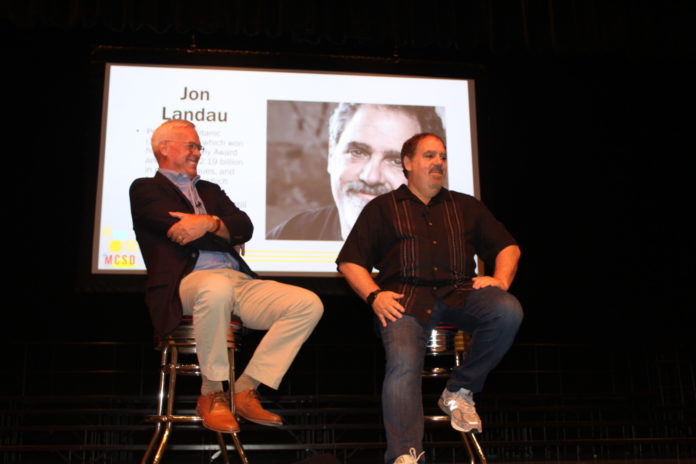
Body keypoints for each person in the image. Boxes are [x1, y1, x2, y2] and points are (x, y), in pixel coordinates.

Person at [336, 133, 523, 464]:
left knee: (507, 311)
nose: (438, 162)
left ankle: (459, 390)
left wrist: (501, 280)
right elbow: (350, 262)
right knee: (403, 363)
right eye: (429, 156)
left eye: (443, 157)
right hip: (404, 300)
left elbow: (508, 247)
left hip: (460, 293)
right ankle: (406, 454)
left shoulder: (465, 206)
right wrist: (374, 296)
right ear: (408, 164)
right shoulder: (382, 208)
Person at [130, 119, 323, 434]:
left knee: (307, 303)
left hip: (236, 281)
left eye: (199, 147)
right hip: (187, 283)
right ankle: (211, 392)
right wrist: (223, 231)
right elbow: (178, 233)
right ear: (163, 148)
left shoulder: (210, 190)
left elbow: (244, 226)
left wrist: (207, 223)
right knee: (215, 286)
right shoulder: (145, 189)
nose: (197, 152)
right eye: (190, 145)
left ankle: (245, 389)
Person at [267, 103, 445, 241]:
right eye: (357, 152)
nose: (371, 177)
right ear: (331, 156)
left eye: (396, 161)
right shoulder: (286, 236)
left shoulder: (448, 249)